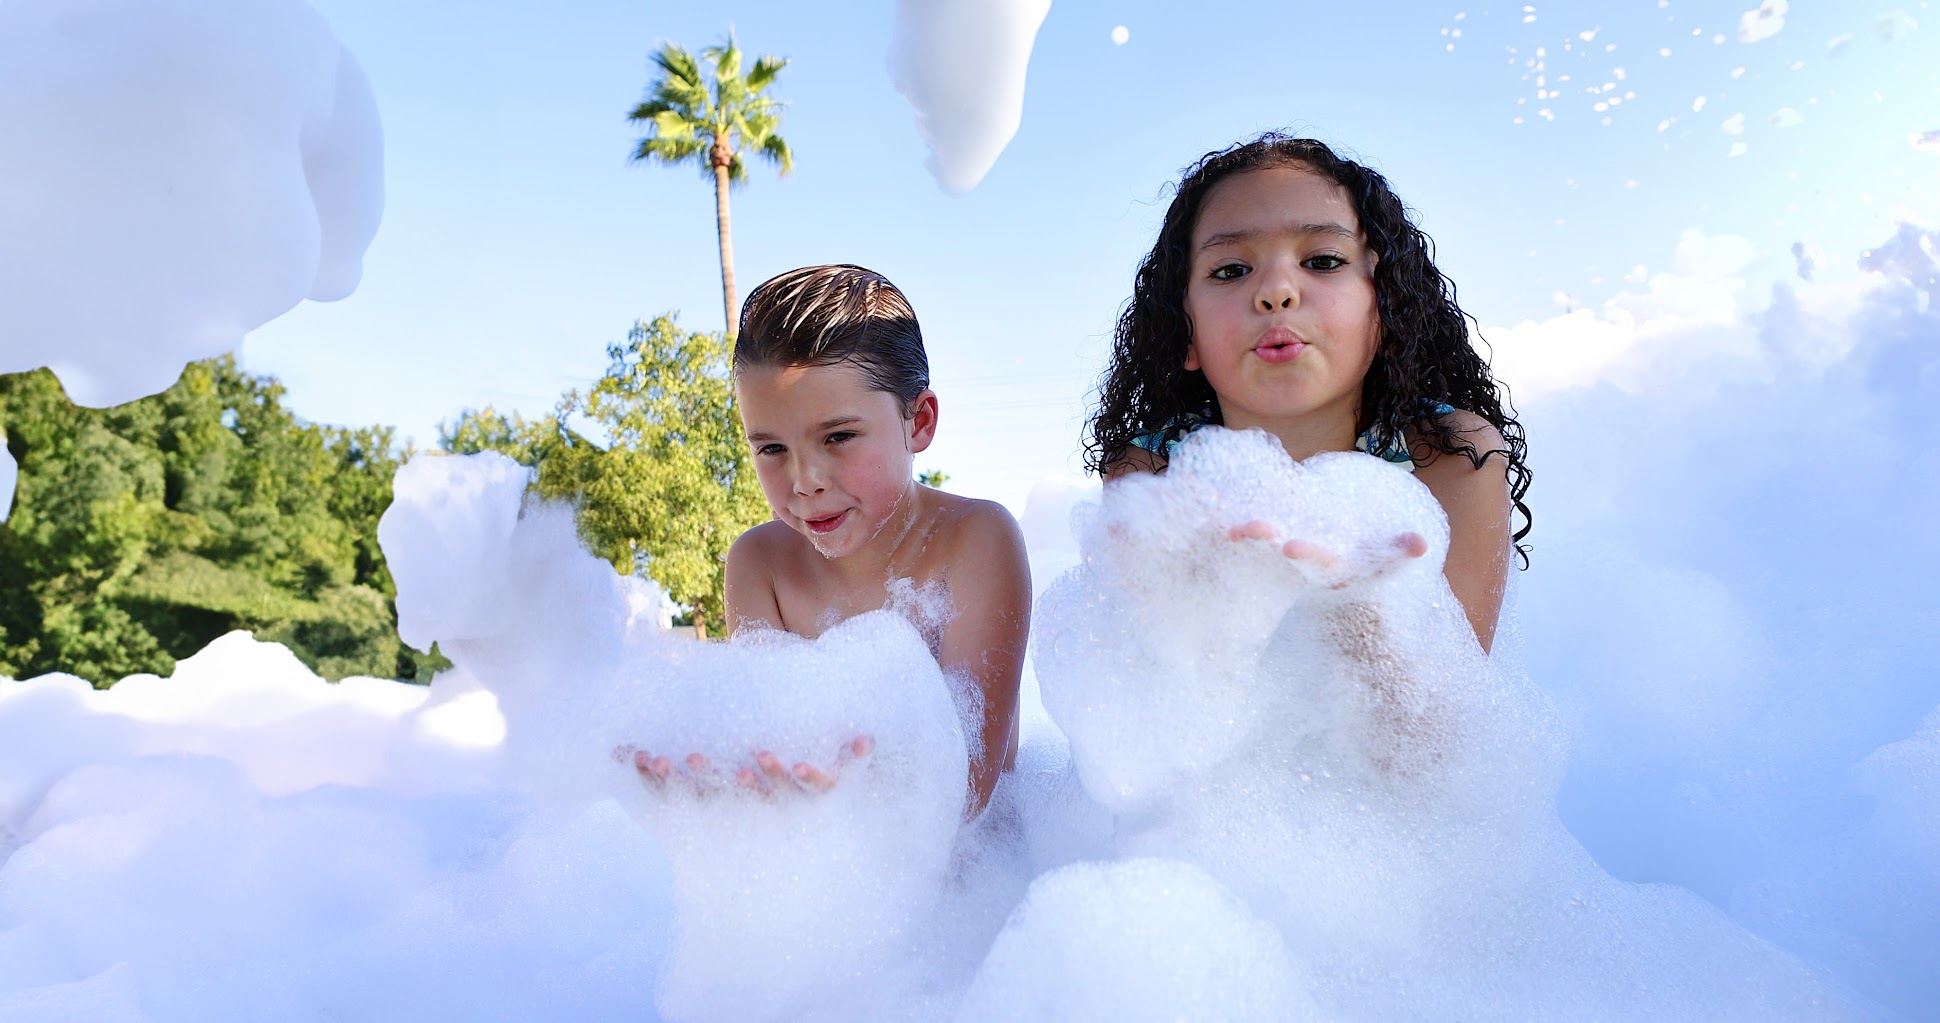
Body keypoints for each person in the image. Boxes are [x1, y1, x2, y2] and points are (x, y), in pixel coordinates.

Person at [1086, 134, 1531, 652]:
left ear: (1388, 309)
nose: (1277, 290)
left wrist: (1356, 617)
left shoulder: (1451, 451)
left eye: (1322, 261)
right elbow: (1152, 704)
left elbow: (1456, 714)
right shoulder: (1150, 473)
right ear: (1184, 334)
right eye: (1231, 270)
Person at [631, 264, 1031, 817]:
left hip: (975, 867)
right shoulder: (759, 565)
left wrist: (846, 803)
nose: (804, 480)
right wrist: (722, 799)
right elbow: (764, 747)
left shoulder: (974, 540)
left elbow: (968, 790)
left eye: (838, 437)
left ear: (919, 421)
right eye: (770, 449)